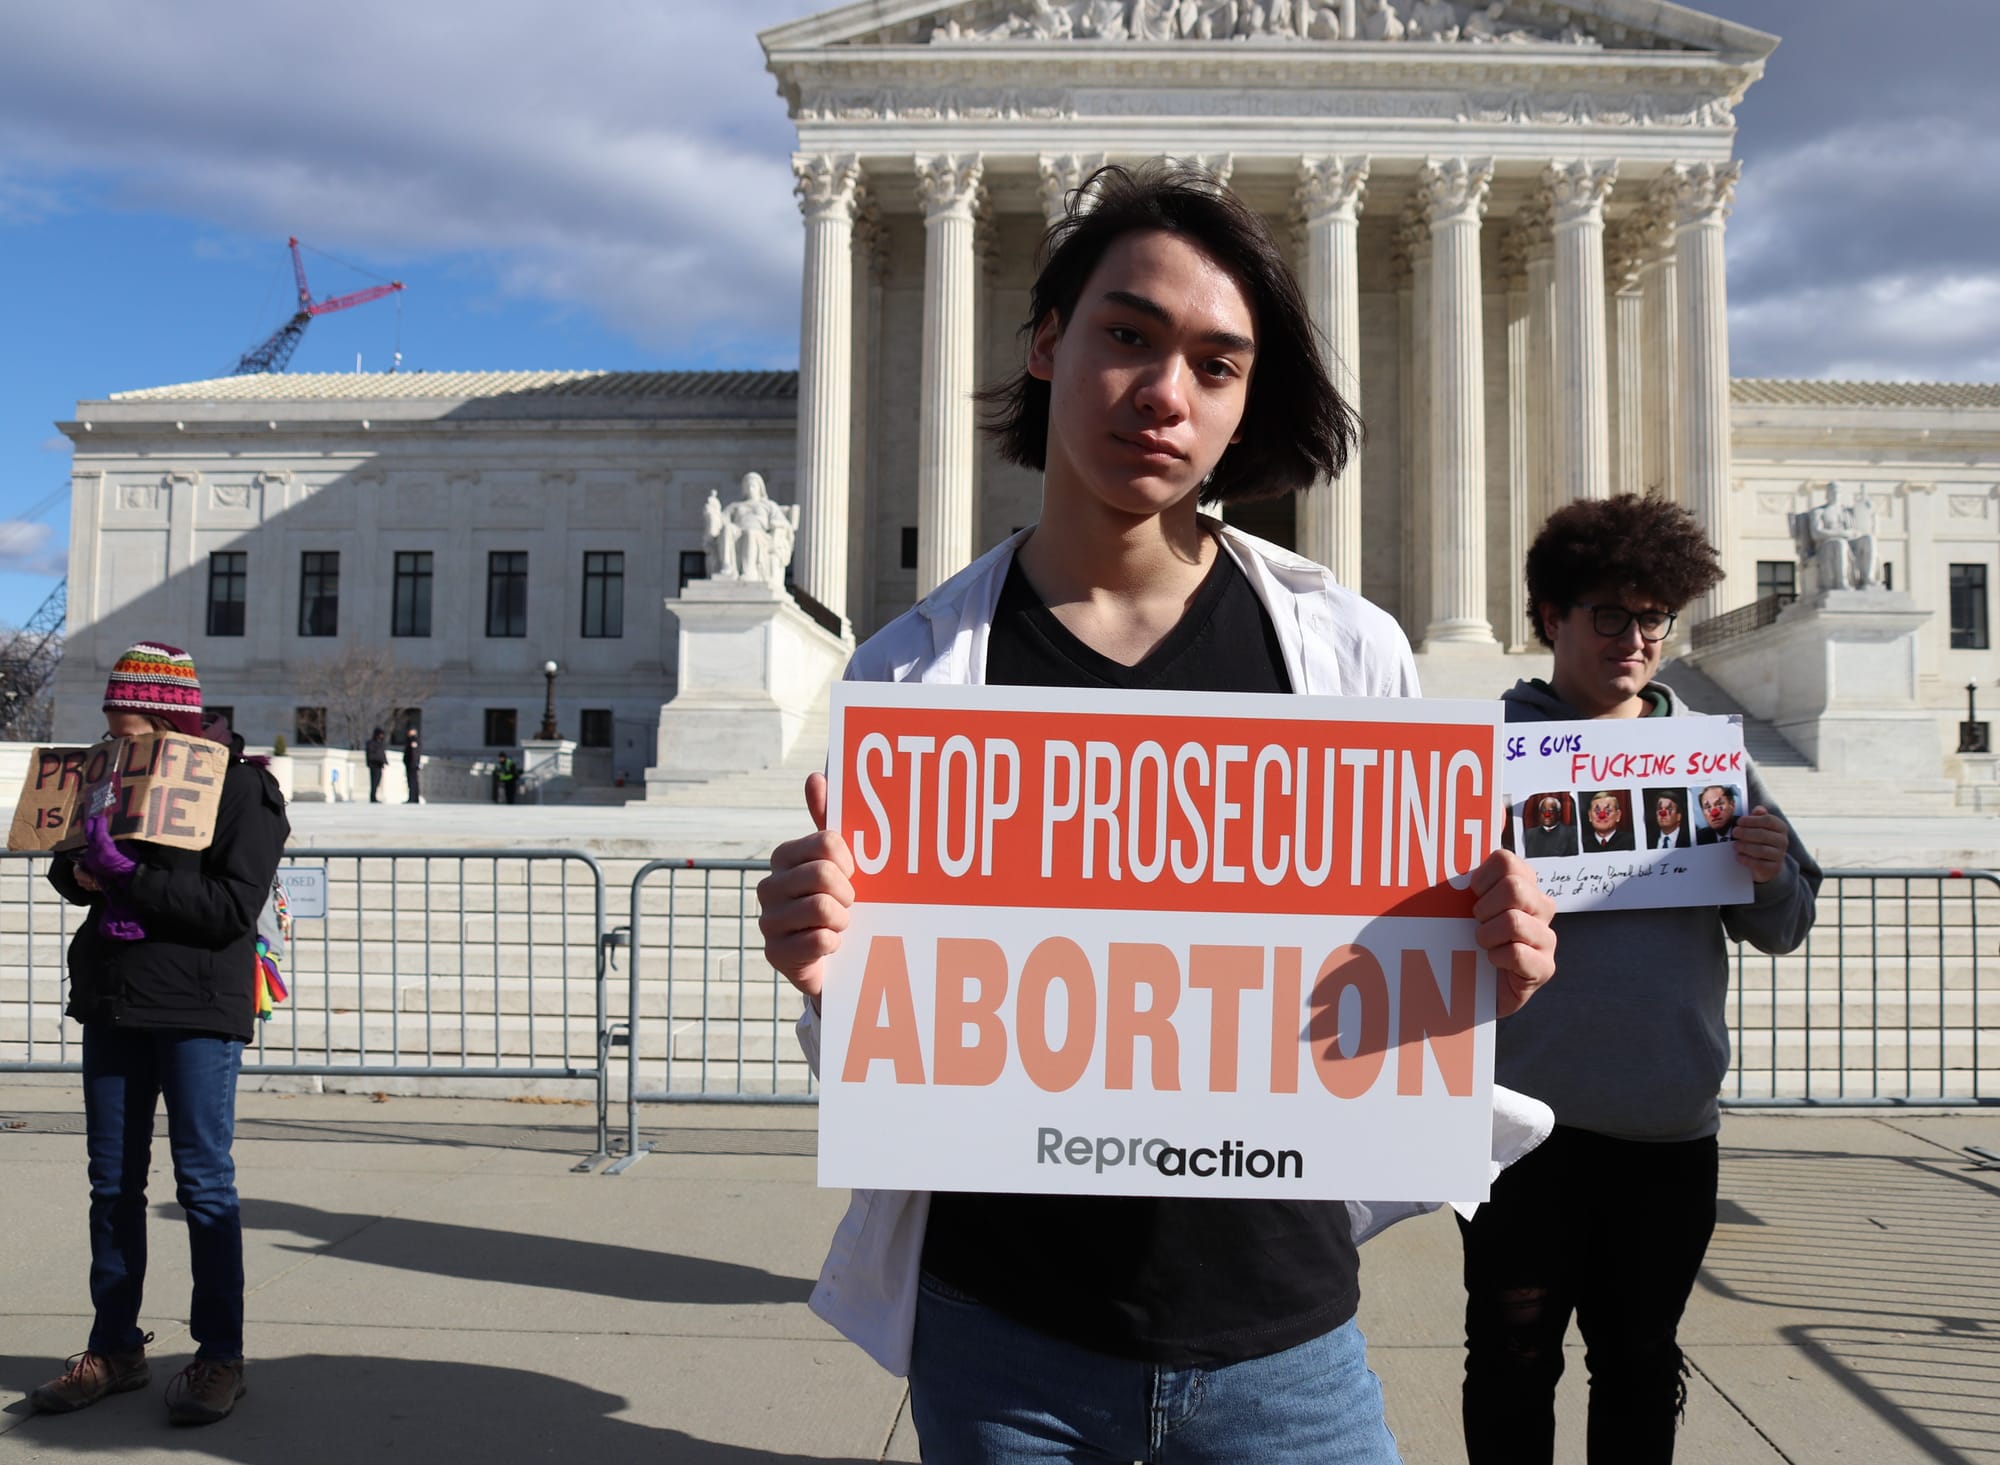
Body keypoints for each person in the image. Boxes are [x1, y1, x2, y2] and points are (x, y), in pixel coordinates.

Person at [757, 162, 1559, 1465]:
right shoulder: (910, 675)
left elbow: (1376, 1014)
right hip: (1004, 1332)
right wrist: (822, 968)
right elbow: (891, 1045)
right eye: (1129, 335)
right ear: (1047, 345)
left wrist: (1485, 971)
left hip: (1281, 1335)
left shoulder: (1350, 657)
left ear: (1244, 407)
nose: (1165, 393)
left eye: (1217, 363)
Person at [1464, 495, 1820, 1464]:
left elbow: (1783, 924)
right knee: (1509, 1359)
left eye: (1651, 617)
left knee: (1637, 1359)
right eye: (1608, 615)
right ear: (1551, 619)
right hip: (1516, 1131)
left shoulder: (1707, 756)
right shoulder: (1477, 755)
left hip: (1666, 1133)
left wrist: (1766, 867)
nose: (1634, 639)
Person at [30, 642, 289, 1426]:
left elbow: (229, 908)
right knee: (111, 1184)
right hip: (114, 998)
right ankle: (115, 1345)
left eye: (132, 724)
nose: (119, 738)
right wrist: (77, 870)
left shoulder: (243, 791)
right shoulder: (106, 778)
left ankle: (219, 1355)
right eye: (111, 723)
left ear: (171, 722)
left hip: (197, 1006)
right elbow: (69, 861)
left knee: (203, 1182)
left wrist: (130, 875)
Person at [1521, 793, 1576, 859]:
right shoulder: (1529, 835)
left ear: (1558, 813)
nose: (1547, 815)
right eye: (1543, 810)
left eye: (1551, 811)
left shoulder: (1572, 833)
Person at [364, 727, 388, 804]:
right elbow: (371, 755)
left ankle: (374, 796)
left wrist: (385, 761)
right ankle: (373, 797)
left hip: (379, 765)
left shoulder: (380, 743)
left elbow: (382, 754)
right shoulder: (371, 743)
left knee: (377, 782)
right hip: (374, 765)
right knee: (374, 782)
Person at [402, 725, 422, 804]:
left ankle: (413, 798)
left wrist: (415, 763)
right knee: (412, 781)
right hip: (411, 763)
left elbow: (414, 753)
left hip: (412, 764)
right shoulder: (411, 740)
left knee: (412, 782)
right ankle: (414, 798)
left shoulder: (413, 740)